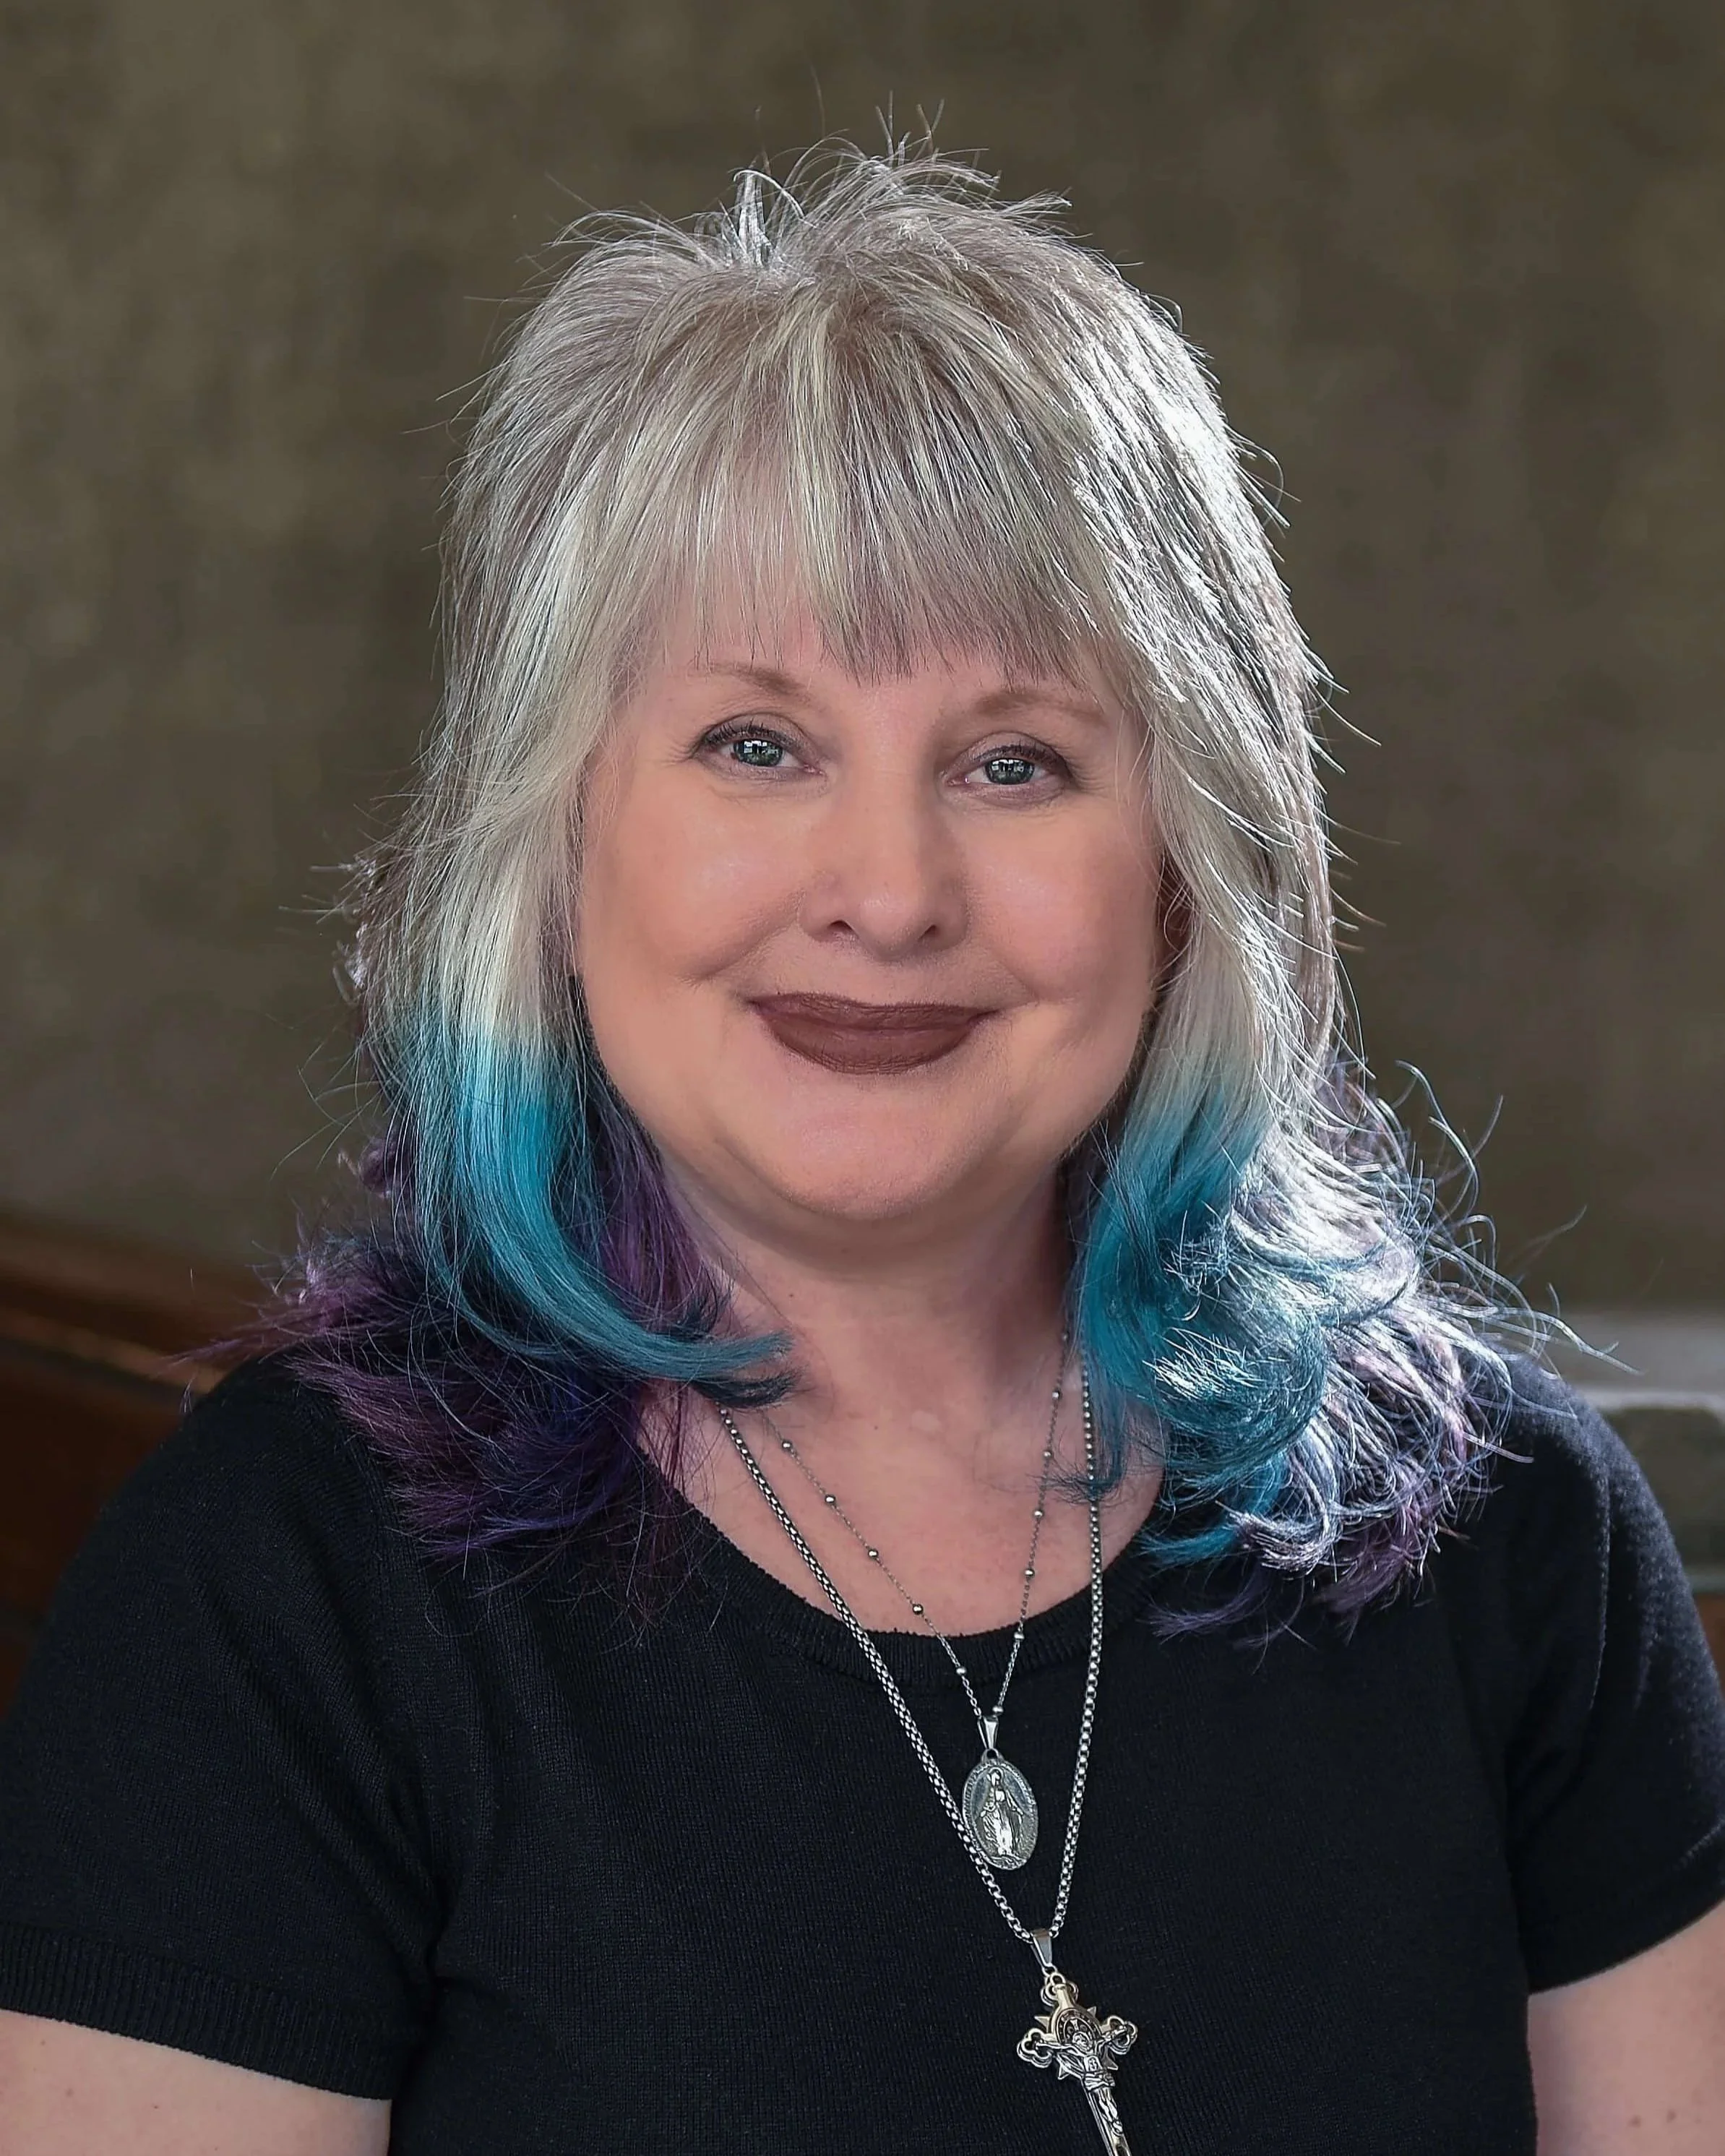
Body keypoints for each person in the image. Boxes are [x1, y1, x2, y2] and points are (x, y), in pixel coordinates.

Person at [1, 144, 1722, 2156]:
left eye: (1016, 761)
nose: (890, 894)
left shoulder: (1518, 1540)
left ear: (1188, 867)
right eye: (758, 743)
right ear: (554, 841)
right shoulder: (270, 1597)